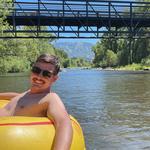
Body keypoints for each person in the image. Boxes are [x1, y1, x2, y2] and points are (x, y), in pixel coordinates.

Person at [0, 53, 73, 150]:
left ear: (54, 79)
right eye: (36, 70)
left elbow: (64, 123)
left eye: (46, 74)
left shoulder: (51, 98)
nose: (39, 76)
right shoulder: (28, 94)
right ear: (31, 71)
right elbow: (15, 96)